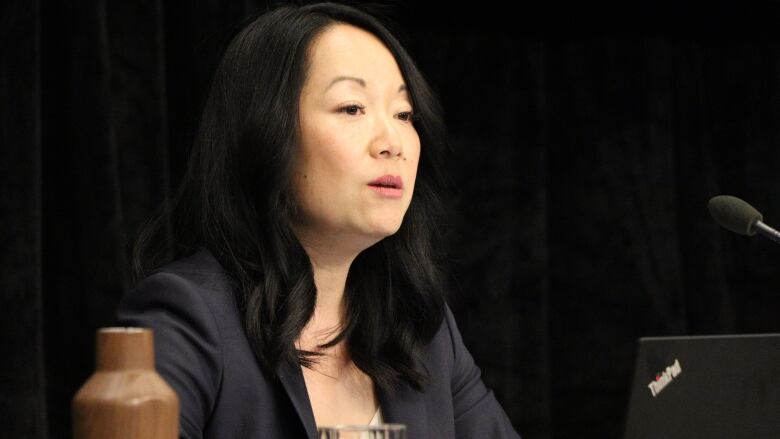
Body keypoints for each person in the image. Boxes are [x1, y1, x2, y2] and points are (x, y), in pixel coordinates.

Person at [115, 2, 522, 438]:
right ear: (265, 135)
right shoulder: (186, 317)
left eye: (404, 114)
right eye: (352, 108)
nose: (393, 142)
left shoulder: (421, 329)